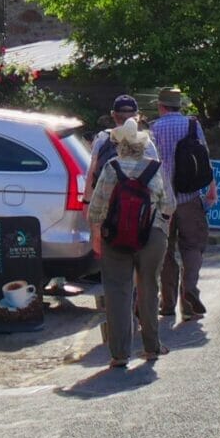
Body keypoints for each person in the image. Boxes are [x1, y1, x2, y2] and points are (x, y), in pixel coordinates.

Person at [86, 120, 174, 370]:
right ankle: (152, 347)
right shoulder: (155, 168)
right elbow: (168, 204)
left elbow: (96, 208)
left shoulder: (112, 167)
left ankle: (120, 354)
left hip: (115, 237)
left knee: (118, 292)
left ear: (120, 145)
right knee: (148, 288)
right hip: (152, 235)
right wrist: (161, 227)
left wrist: (97, 231)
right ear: (142, 145)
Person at [151, 87, 213, 320]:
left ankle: (167, 305)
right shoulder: (193, 125)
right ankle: (189, 292)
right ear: (180, 105)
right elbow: (204, 157)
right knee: (193, 246)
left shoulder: (154, 129)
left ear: (161, 106)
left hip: (162, 201)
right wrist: (212, 188)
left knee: (166, 252)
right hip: (189, 196)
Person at [89, 93, 141, 176]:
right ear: (137, 115)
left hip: (107, 187)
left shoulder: (102, 138)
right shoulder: (146, 141)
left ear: (113, 114)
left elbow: (92, 171)